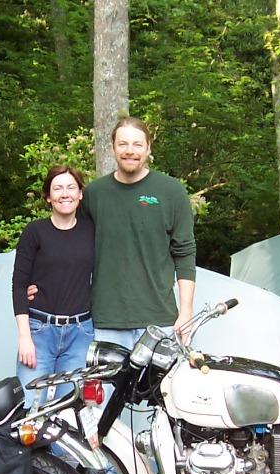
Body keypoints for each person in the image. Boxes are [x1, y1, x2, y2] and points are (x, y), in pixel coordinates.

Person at [29, 118, 196, 350]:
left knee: (162, 388)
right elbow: (69, 243)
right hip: (105, 324)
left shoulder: (171, 191)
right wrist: (40, 284)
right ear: (113, 148)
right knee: (103, 388)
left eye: (137, 144)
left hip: (161, 323)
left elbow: (185, 254)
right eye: (123, 144)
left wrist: (186, 311)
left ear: (148, 148)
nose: (130, 151)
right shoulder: (94, 194)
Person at [12, 165, 95, 408]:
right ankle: (26, 449)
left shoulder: (92, 230)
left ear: (80, 194)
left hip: (80, 334)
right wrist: (24, 337)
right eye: (57, 188)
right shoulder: (35, 232)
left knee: (68, 411)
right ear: (48, 197)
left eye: (71, 187)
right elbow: (19, 286)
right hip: (40, 331)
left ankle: (56, 449)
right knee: (29, 407)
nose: (65, 194)